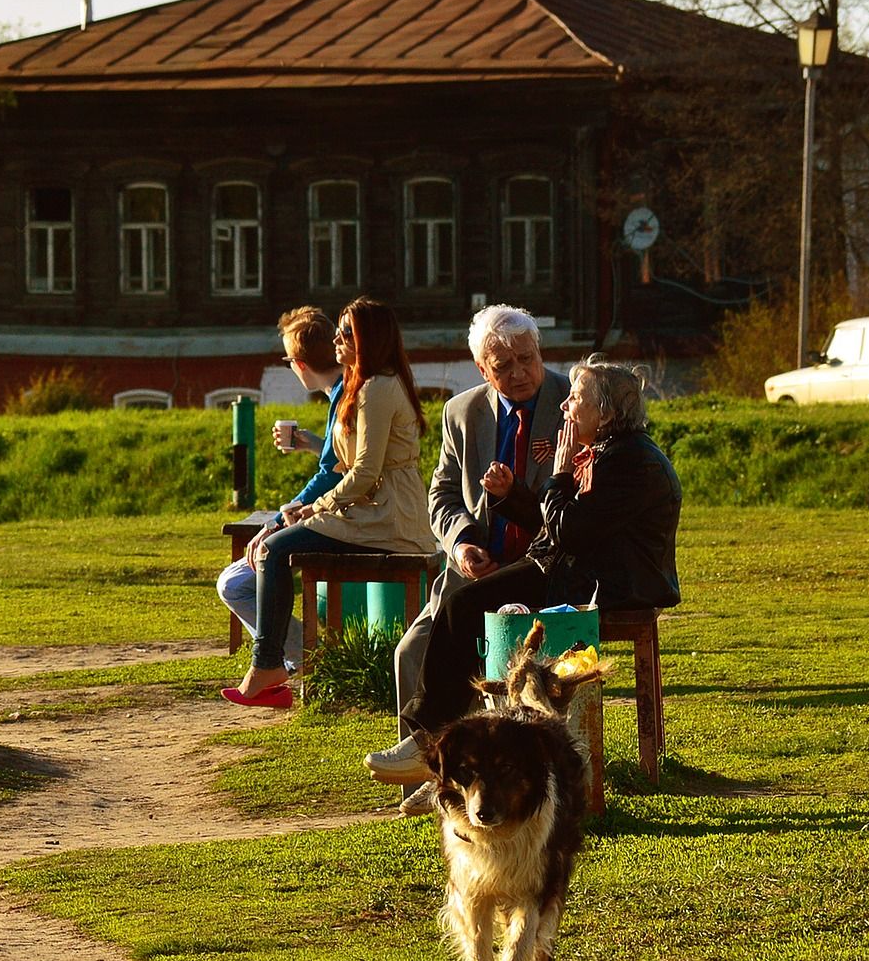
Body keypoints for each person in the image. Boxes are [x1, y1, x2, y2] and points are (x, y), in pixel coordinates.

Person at [366, 354, 682, 784]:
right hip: (579, 572)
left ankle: (432, 747)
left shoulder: (630, 463)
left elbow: (570, 530)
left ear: (605, 413)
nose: (565, 406)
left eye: (576, 399)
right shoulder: (611, 452)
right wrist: (514, 494)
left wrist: (559, 474)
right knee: (465, 605)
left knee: (464, 606)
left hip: (607, 586)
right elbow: (564, 526)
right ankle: (443, 755)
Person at [376, 306, 571, 811]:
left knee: (479, 641)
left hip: (540, 566)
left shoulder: (572, 401)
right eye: (502, 366)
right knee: (410, 651)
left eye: (526, 359)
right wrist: (461, 542)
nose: (519, 373)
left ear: (539, 353)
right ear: (483, 370)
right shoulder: (461, 412)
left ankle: (460, 771)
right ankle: (432, 778)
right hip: (473, 567)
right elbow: (440, 494)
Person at [224, 298, 435, 708]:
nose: (335, 340)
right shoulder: (362, 384)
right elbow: (344, 463)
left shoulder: (378, 387)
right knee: (275, 545)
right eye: (338, 331)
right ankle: (271, 662)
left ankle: (267, 662)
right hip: (367, 510)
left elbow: (366, 473)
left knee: (273, 547)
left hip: (388, 516)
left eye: (346, 333)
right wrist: (311, 482)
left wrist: (313, 508)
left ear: (367, 339)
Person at [216, 307, 346, 670]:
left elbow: (332, 476)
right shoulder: (344, 392)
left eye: (289, 360)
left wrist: (278, 520)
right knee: (240, 574)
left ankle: (302, 659)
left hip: (344, 517)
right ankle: (294, 658)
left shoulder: (344, 396)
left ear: (300, 364)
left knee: (235, 581)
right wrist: (314, 443)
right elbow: (342, 461)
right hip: (343, 511)